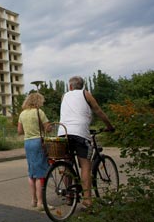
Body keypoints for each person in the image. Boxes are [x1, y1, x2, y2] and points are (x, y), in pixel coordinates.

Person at [59, 76, 114, 208]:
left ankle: (69, 196)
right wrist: (109, 126)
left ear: (70, 87)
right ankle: (87, 201)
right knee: (85, 166)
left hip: (63, 132)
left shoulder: (64, 96)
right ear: (82, 86)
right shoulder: (85, 94)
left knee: (67, 163)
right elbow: (98, 111)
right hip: (80, 132)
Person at [18, 92, 50, 211]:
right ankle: (40, 203)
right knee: (40, 173)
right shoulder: (39, 112)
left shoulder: (22, 114)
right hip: (38, 142)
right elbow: (48, 127)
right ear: (38, 101)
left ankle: (33, 200)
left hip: (27, 143)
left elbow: (19, 131)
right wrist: (44, 128)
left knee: (31, 172)